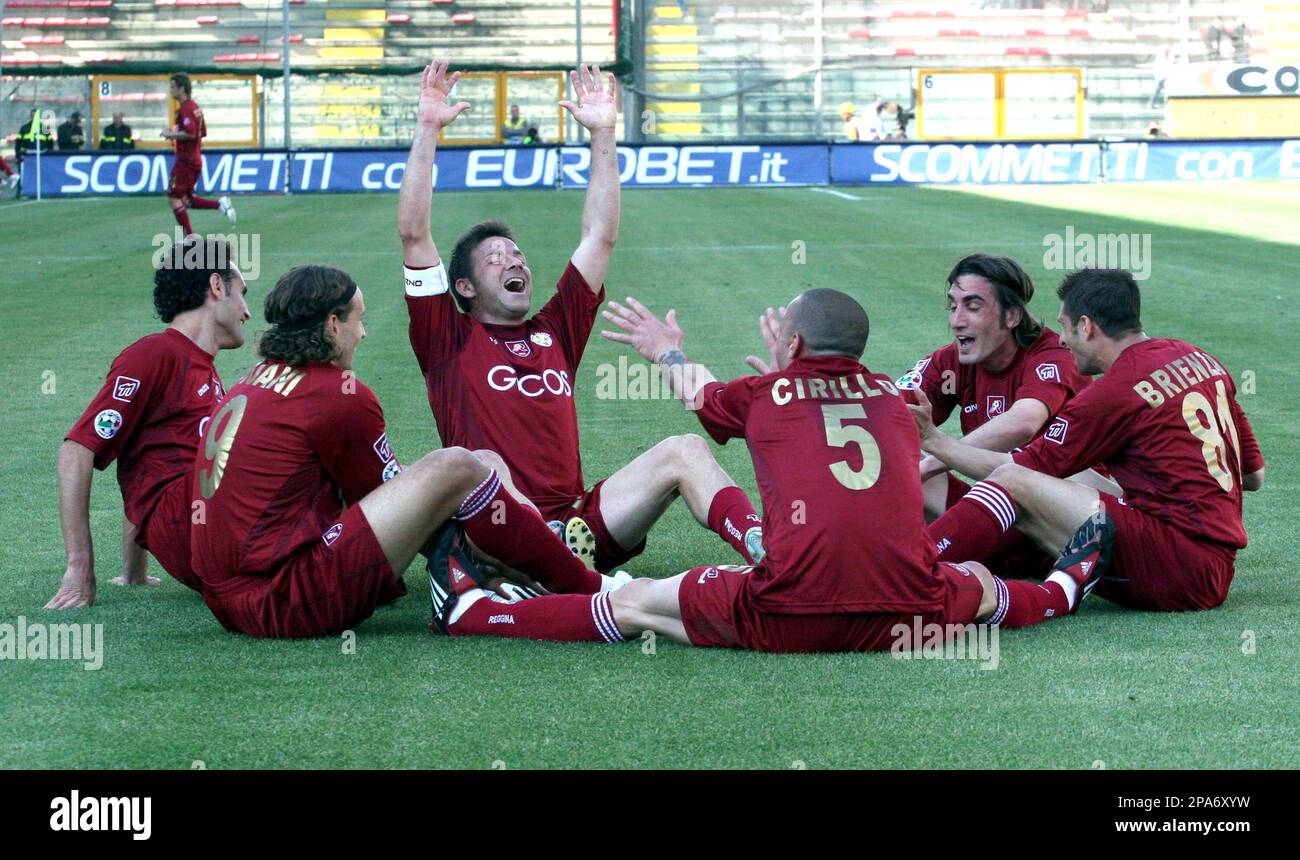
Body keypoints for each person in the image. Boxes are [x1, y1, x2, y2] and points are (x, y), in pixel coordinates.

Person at [432, 288, 1104, 649]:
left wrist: (665, 351)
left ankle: (475, 614)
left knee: (634, 604)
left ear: (795, 343)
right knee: (984, 586)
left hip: (788, 609)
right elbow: (830, 412)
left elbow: (703, 396)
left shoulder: (765, 395)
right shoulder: (897, 406)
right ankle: (1068, 585)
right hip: (905, 613)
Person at [398, 59, 765, 575]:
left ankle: (763, 549)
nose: (516, 261)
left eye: (518, 255)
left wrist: (604, 133)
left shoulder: (555, 330)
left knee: (683, 448)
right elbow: (415, 235)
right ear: (464, 287)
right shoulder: (446, 337)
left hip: (578, 530)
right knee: (486, 465)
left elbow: (600, 237)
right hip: (496, 531)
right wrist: (428, 128)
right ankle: (547, 558)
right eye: (496, 258)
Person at [190, 264, 619, 639]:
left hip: (229, 598)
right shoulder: (339, 395)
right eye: (359, 319)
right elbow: (409, 506)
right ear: (333, 325)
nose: (364, 332)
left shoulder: (256, 378)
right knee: (458, 465)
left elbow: (382, 494)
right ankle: (580, 584)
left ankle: (518, 567)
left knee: (477, 464)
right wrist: (496, 545)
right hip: (280, 602)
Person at [913, 268, 1265, 617]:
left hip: (1178, 569)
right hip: (1212, 562)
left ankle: (909, 570)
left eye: (1065, 327)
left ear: (1086, 326)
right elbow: (1253, 476)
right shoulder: (1199, 358)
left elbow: (1016, 470)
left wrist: (935, 442)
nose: (1062, 340)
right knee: (1070, 477)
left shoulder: (1113, 392)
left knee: (1012, 480)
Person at [45, 236, 250, 609]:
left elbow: (147, 453)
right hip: (204, 532)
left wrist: (133, 573)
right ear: (217, 287)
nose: (246, 311)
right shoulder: (156, 353)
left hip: (211, 525)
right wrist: (79, 567)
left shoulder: (204, 370)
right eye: (242, 293)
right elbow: (76, 451)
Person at [892, 254, 1091, 524]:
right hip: (1002, 510)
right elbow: (888, 413)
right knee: (895, 466)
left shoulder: (1053, 355)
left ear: (1012, 316)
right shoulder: (951, 362)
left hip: (1063, 521)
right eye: (953, 307)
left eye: (973, 307)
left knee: (928, 471)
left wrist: (930, 460)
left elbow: (1022, 423)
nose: (957, 321)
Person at [161, 73, 234, 235]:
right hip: (191, 160)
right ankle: (219, 205)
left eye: (173, 87)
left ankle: (190, 237)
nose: (170, 90)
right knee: (185, 200)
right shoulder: (195, 108)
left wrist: (171, 134)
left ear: (182, 88)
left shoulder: (186, 109)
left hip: (185, 162)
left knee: (173, 197)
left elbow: (192, 133)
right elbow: (202, 133)